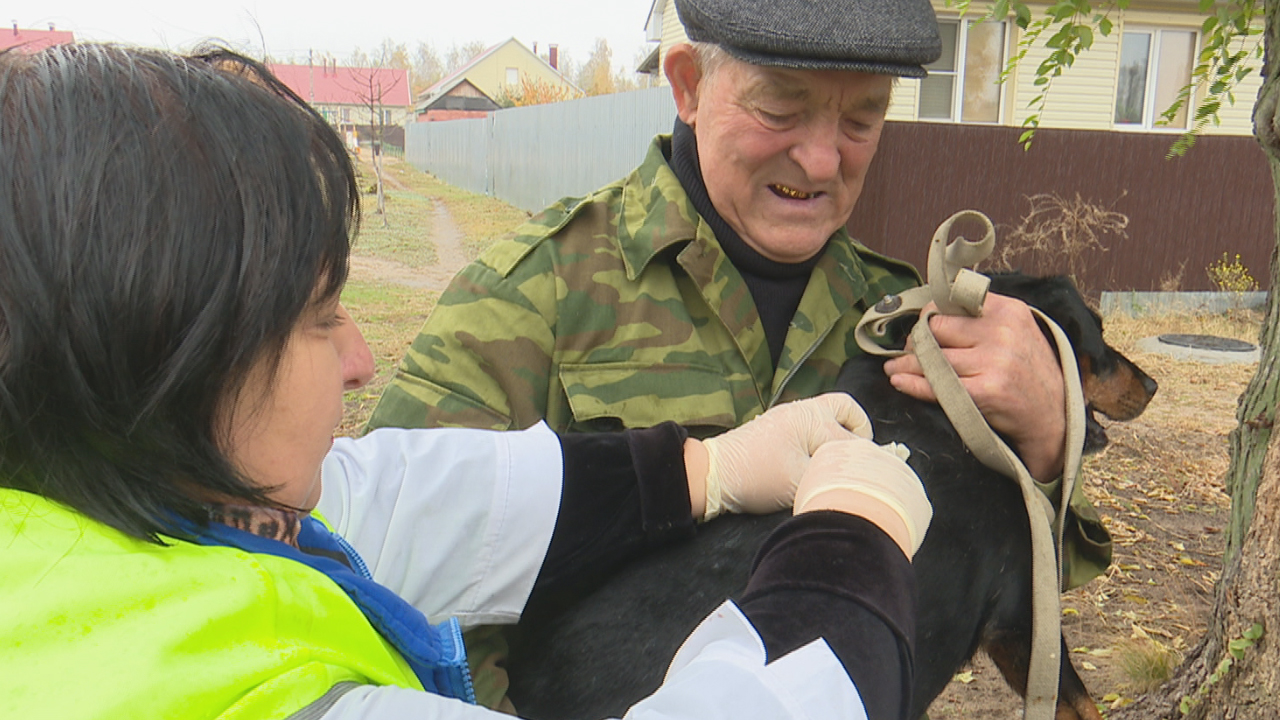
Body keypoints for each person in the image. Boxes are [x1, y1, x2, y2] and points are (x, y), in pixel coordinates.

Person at [0, 44, 934, 720]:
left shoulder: (95, 525)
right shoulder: (242, 695)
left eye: (862, 118)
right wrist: (849, 552)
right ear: (168, 351)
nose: (362, 358)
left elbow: (400, 503)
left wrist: (705, 469)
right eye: (321, 315)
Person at [368, 0, 1110, 616]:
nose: (823, 160)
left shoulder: (905, 323)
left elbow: (1011, 586)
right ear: (688, 86)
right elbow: (382, 571)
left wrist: (1047, 446)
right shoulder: (533, 298)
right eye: (781, 107)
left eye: (864, 118)